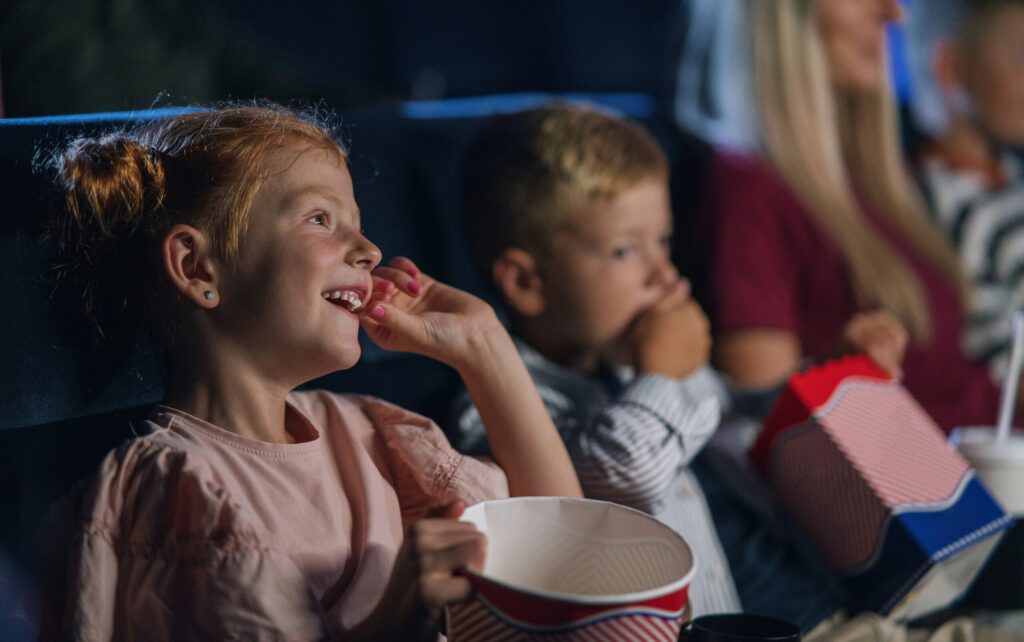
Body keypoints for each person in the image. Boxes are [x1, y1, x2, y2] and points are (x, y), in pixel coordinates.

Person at [41, 103, 581, 641]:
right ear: (197, 267)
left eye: (359, 226)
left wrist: (484, 345)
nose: (370, 251)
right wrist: (394, 622)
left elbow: (567, 555)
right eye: (320, 218)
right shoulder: (173, 488)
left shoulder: (371, 433)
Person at [451, 101, 743, 617]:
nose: (665, 274)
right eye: (625, 251)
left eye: (663, 241)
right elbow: (628, 476)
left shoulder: (633, 362)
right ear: (527, 282)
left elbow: (722, 408)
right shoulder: (492, 407)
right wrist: (661, 375)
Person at [689, 0, 999, 433]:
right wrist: (838, 375)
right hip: (936, 471)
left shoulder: (879, 182)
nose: (894, 14)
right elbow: (766, 431)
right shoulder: (751, 191)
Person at [906, 0, 1024, 386]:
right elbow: (1004, 371)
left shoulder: (1008, 176)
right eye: (1020, 58)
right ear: (949, 66)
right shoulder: (938, 208)